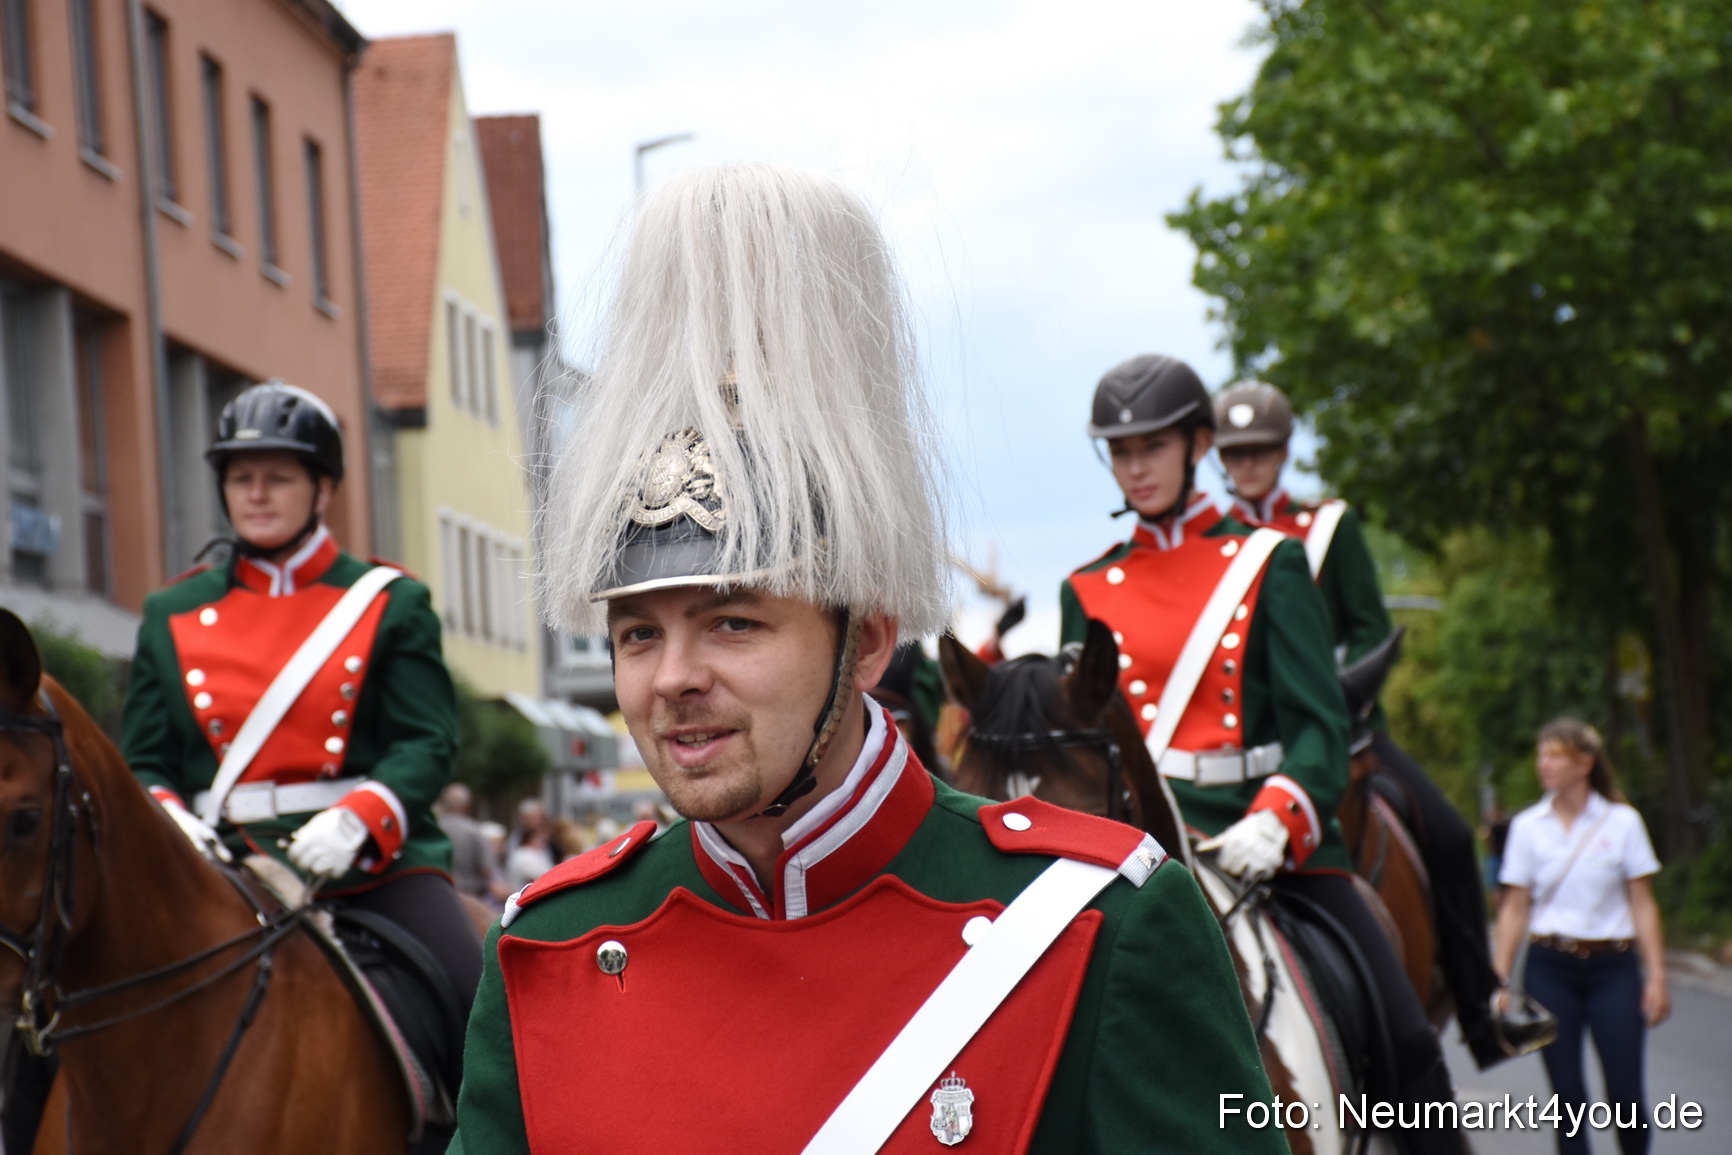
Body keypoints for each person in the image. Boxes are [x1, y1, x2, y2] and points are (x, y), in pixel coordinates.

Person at [447, 165, 1281, 1154]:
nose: (671, 678)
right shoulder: (548, 944)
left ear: (869, 638)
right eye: (638, 634)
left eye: (733, 623)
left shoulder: (1099, 921)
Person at [1061, 354, 1461, 1154]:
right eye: (1120, 450)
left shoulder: (1269, 561)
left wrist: (1279, 818)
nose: (1136, 467)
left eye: (1153, 446)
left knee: (1406, 1038)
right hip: (1141, 846)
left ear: (1198, 443)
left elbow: (1320, 727)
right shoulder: (1087, 588)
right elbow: (1080, 746)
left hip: (1269, 840)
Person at [121, 381, 481, 1139]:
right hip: (218, 865)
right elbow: (146, 760)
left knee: (475, 998)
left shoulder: (387, 600)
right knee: (59, 1010)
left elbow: (426, 741)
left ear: (322, 488)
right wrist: (171, 823)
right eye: (240, 477)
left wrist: (360, 818)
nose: (255, 494)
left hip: (370, 866)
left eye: (278, 476)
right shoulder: (169, 613)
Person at [1212, 378, 1551, 1067]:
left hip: (1339, 725)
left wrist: (1333, 698)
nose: (1248, 464)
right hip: (1243, 742)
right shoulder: (1212, 544)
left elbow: (1368, 626)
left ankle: (1484, 1006)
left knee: (1449, 835)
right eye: (1235, 453)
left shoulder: (1328, 527)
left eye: (1261, 450)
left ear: (1284, 452)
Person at [1494, 719, 1668, 1155]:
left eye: (1555, 755)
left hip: (1614, 970)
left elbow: (1643, 903)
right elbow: (1514, 907)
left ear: (1585, 763)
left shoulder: (1623, 822)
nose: (1544, 764)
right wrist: (1498, 979)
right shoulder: (1528, 826)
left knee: (1625, 1094)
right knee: (1567, 1097)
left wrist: (1657, 977)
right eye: (1541, 755)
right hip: (1550, 969)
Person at [437, 782, 497, 900]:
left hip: (440, 894)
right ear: (467, 805)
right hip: (470, 896)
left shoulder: (436, 828)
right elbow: (487, 869)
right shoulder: (474, 830)